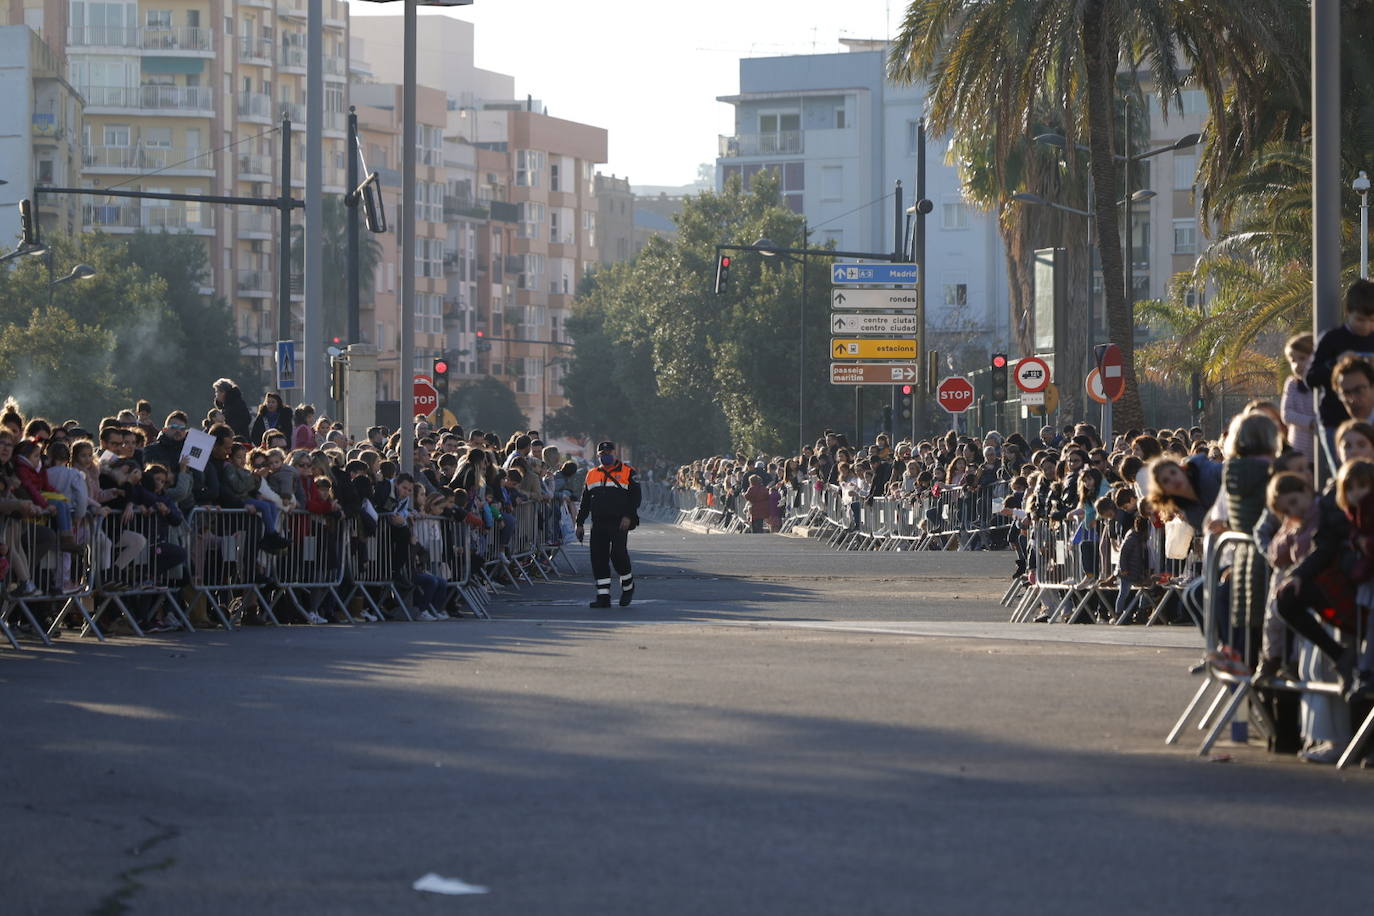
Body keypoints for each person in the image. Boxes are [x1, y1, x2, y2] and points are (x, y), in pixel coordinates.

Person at [575, 441, 641, 608]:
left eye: (609, 452)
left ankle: (628, 586)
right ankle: (603, 596)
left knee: (618, 554)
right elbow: (585, 501)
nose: (606, 456)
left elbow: (635, 498)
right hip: (598, 522)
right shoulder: (591, 474)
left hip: (619, 522)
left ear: (615, 453)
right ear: (598, 456)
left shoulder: (628, 472)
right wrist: (580, 522)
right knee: (598, 558)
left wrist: (628, 516)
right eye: (603, 453)